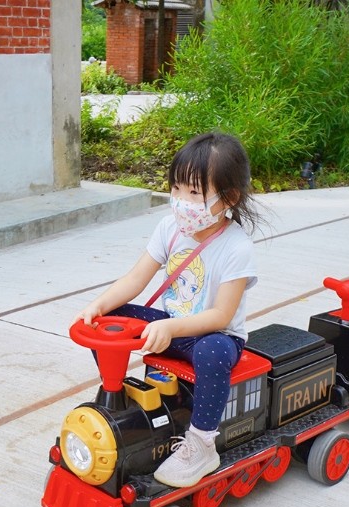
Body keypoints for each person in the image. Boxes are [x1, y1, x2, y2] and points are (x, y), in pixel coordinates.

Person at [76, 131, 262, 488]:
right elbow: (136, 278)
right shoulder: (170, 228)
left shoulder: (236, 247)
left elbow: (222, 315)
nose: (181, 201)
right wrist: (99, 306)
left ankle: (201, 443)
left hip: (215, 336)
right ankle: (121, 399)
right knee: (110, 322)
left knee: (212, 351)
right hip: (171, 326)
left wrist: (172, 330)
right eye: (177, 188)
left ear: (229, 198)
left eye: (194, 193)